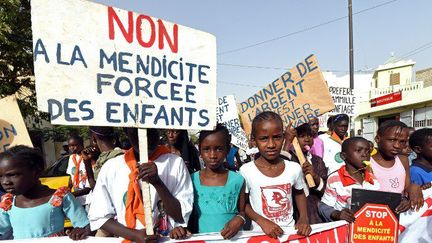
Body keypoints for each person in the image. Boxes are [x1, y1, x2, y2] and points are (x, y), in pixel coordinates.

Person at [88, 128, 193, 243]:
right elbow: (99, 216)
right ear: (126, 131)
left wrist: (157, 182)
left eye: (151, 131)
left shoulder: (175, 164)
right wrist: (135, 235)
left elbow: (180, 215)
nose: (145, 138)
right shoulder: (111, 167)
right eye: (137, 132)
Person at [239, 111, 311, 238]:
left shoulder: (294, 168)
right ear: (254, 140)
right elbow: (243, 204)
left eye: (277, 137)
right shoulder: (246, 171)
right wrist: (262, 221)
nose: (271, 145)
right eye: (264, 139)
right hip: (259, 235)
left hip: (289, 234)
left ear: (283, 137)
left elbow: (300, 193)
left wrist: (303, 218)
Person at [171, 124, 245, 239]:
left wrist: (240, 219)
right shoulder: (191, 180)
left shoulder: (237, 180)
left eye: (219, 149)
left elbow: (244, 211)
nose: (212, 155)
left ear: (228, 150)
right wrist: (180, 228)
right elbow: (185, 215)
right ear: (199, 150)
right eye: (206, 149)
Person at [0, 145, 90, 239]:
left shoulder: (59, 197)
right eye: (1, 176)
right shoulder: (8, 203)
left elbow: (85, 225)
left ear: (36, 172)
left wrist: (80, 231)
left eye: (13, 175)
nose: (5, 182)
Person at [318, 137, 380, 223]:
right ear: (343, 156)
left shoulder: (372, 179)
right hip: (345, 230)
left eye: (367, 151)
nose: (365, 155)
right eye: (359, 151)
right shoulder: (335, 179)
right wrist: (337, 214)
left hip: (366, 229)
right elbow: (323, 207)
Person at [371, 120, 423, 212]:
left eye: (402, 141)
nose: (397, 145)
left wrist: (414, 187)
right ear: (377, 139)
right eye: (392, 140)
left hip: (398, 215)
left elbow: (406, 186)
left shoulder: (403, 160)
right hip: (375, 215)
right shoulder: (368, 163)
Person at [283, 123, 328, 224]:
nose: (307, 139)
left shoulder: (317, 161)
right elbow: (280, 170)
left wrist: (315, 176)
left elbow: (326, 189)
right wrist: (287, 141)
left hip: (316, 211)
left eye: (310, 135)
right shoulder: (289, 158)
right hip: (295, 211)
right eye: (302, 136)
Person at [66, 135, 91, 206]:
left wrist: (72, 195)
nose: (71, 148)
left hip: (89, 199)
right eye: (69, 146)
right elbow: (71, 177)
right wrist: (68, 190)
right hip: (78, 199)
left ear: (81, 144)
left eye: (74, 145)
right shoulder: (71, 158)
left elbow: (89, 187)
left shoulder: (87, 157)